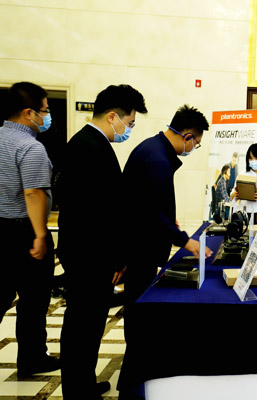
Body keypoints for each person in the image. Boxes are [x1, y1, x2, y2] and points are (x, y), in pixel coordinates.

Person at [57, 84, 147, 399]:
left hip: (84, 252)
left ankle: (81, 382)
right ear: (112, 116)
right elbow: (102, 214)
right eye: (129, 122)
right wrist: (117, 258)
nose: (129, 129)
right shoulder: (92, 149)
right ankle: (78, 390)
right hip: (90, 257)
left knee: (86, 325)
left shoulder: (85, 143)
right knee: (83, 325)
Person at [122, 105, 213, 305]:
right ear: (187, 137)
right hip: (140, 246)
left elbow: (151, 199)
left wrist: (170, 218)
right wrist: (185, 241)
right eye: (196, 143)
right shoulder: (158, 160)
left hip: (139, 241)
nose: (194, 148)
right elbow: (152, 214)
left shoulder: (153, 147)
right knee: (139, 301)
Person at [0, 82, 59, 377]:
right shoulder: (30, 147)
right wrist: (40, 234)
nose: (47, 116)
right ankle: (32, 358)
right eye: (44, 110)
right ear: (28, 113)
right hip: (22, 231)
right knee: (33, 300)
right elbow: (33, 192)